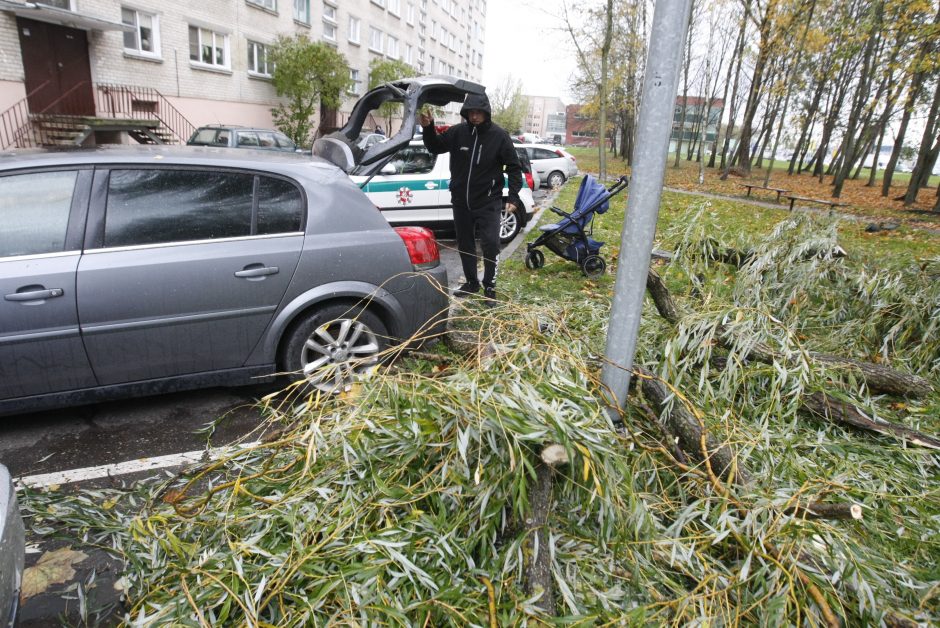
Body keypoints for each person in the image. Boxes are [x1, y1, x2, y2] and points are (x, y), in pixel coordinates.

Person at [419, 93, 523, 305]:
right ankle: (471, 283)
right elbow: (435, 147)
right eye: (471, 112)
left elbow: (514, 167)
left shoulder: (499, 136)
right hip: (461, 202)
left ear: (486, 113)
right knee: (465, 243)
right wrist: (428, 128)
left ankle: (490, 287)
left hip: (488, 201)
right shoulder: (458, 133)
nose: (474, 116)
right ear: (466, 113)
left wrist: (513, 196)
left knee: (491, 244)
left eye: (479, 112)